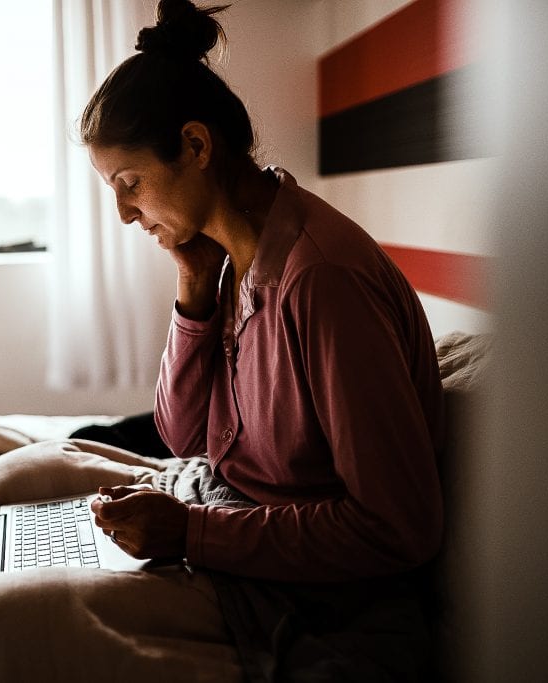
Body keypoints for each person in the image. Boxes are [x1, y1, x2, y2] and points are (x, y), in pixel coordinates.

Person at [88, 0, 445, 583]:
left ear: (197, 147)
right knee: (30, 489)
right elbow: (181, 438)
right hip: (224, 505)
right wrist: (195, 288)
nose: (126, 214)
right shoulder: (232, 260)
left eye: (130, 184)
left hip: (294, 572)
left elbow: (399, 528)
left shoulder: (321, 283)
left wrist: (191, 533)